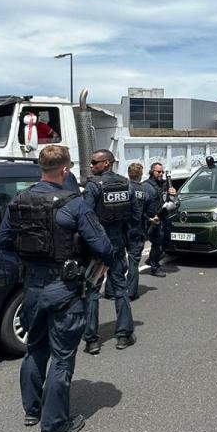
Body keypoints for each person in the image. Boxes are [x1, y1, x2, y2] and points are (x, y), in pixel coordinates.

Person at [0, 145, 112, 432]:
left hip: (31, 288)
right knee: (62, 358)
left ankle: (32, 411)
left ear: (41, 167)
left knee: (35, 348)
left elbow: (4, 241)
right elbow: (102, 247)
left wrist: (29, 262)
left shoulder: (19, 199)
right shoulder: (74, 205)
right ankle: (53, 425)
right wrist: (108, 265)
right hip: (64, 288)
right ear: (65, 170)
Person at [82, 149, 140, 353]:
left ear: (107, 163)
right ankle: (124, 335)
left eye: (94, 162)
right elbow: (135, 216)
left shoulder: (93, 186)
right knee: (120, 289)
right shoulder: (127, 184)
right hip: (116, 245)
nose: (91, 165)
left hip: (98, 247)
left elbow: (85, 218)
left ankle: (91, 340)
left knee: (93, 292)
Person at [144, 163, 177, 277]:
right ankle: (155, 267)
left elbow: (174, 201)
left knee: (166, 242)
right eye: (158, 172)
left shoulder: (165, 184)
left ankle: (152, 258)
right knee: (157, 243)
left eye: (162, 172)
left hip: (164, 216)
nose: (161, 174)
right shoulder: (146, 186)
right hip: (154, 219)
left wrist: (173, 195)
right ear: (152, 171)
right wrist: (149, 218)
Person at [125, 162, 150, 300]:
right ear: (141, 175)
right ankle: (131, 292)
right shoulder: (145, 190)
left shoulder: (124, 187)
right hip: (138, 228)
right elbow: (150, 210)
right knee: (133, 261)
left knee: (116, 259)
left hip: (123, 228)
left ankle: (110, 290)